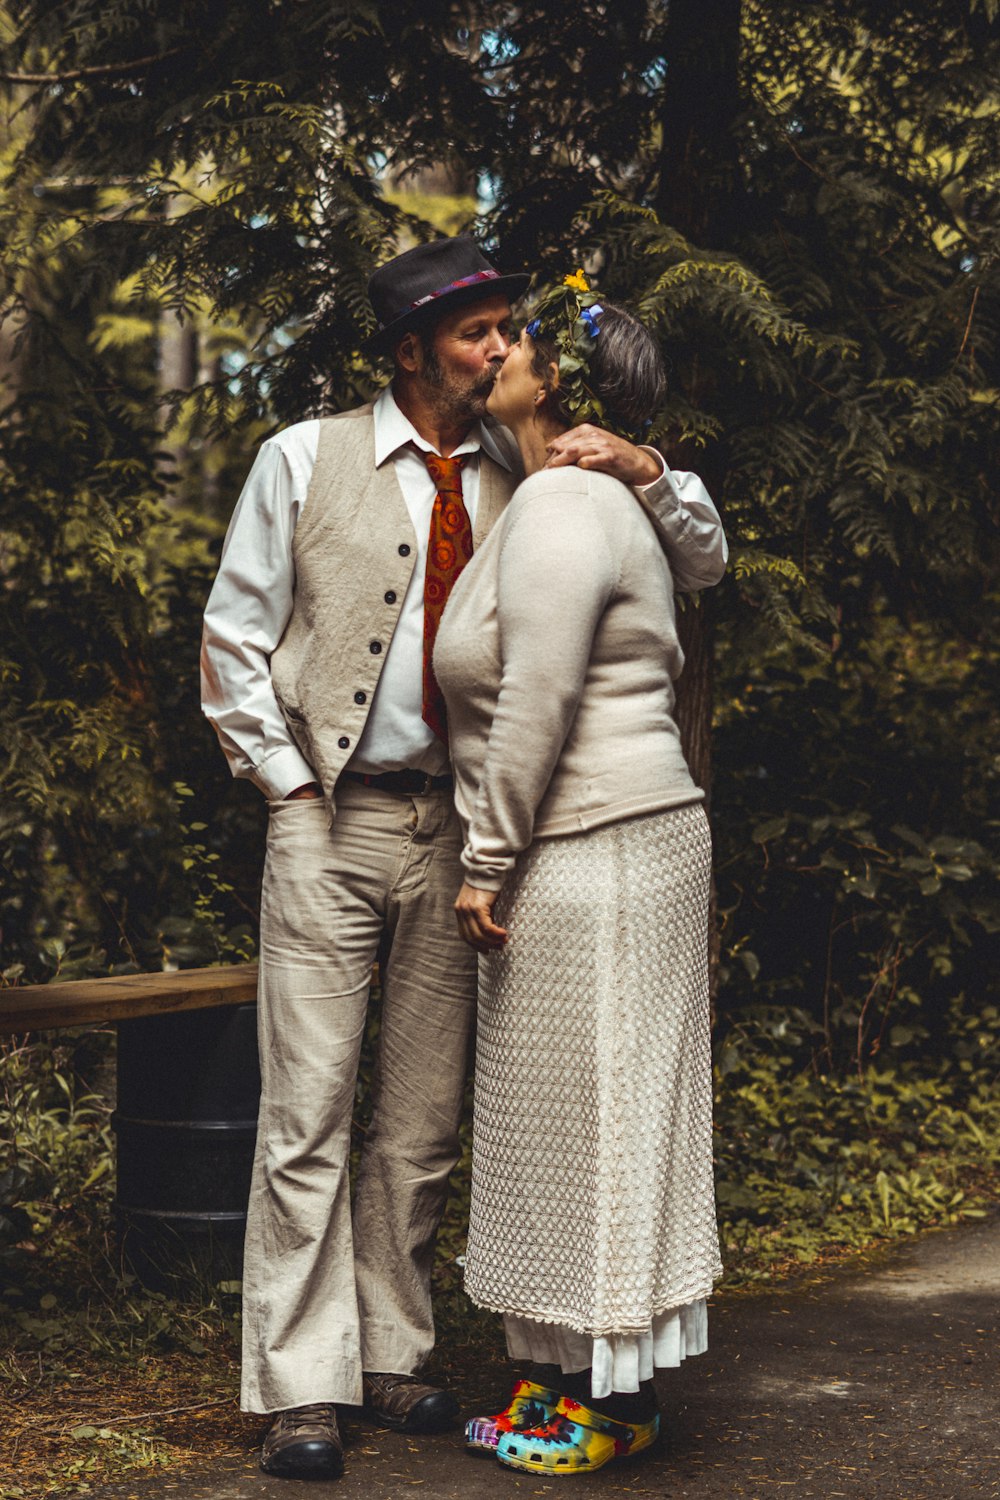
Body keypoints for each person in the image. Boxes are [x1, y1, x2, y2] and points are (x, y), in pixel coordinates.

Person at [200, 237, 727, 1482]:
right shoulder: (301, 457)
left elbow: (693, 561)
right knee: (308, 1110)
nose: (498, 347)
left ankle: (393, 1351)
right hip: (333, 815)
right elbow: (233, 645)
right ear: (410, 349)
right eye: (476, 331)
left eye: (507, 329)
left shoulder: (534, 469)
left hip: (466, 825)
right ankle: (300, 1385)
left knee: (424, 1121)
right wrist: (289, 790)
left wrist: (649, 462)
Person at [434, 276, 723, 1476]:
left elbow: (537, 701)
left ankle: (593, 1400)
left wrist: (484, 861)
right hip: (628, 834)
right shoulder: (568, 496)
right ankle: (599, 1389)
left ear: (552, 380)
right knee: (599, 1112)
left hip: (590, 840)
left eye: (513, 341)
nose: (492, 350)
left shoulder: (565, 498)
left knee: (586, 1117)